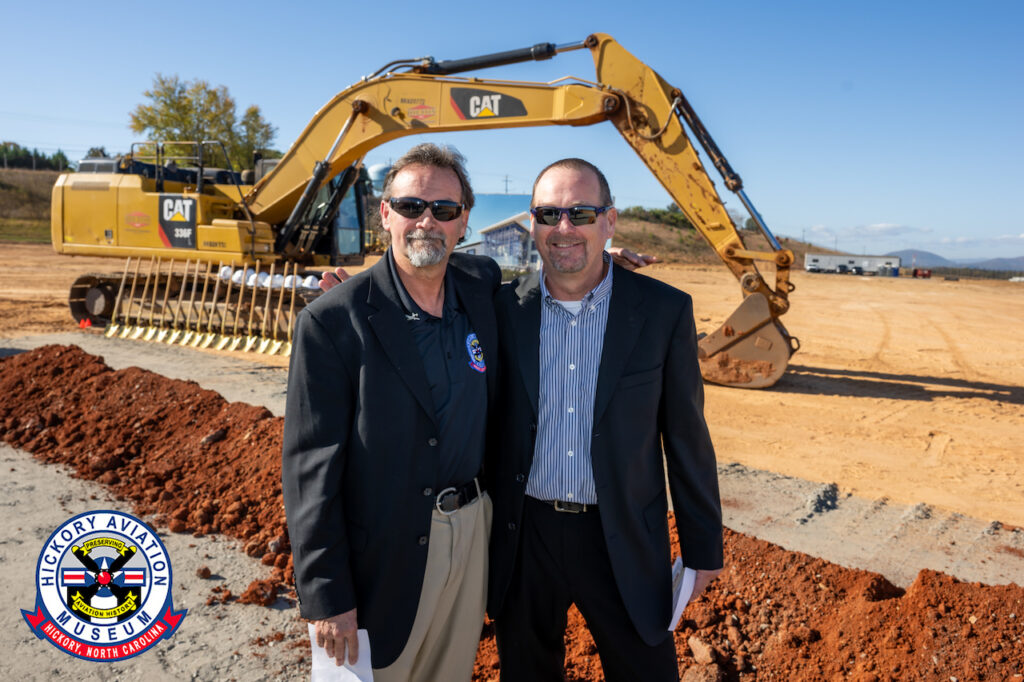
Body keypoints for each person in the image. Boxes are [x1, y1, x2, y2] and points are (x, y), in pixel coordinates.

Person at [487, 158, 724, 681]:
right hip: (525, 533)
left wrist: (702, 544)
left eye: (581, 213)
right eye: (549, 214)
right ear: (532, 225)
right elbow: (437, 273)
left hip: (621, 533)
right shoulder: (502, 308)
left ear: (610, 221)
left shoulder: (662, 311)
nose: (564, 227)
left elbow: (686, 435)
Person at [282, 143, 499, 681]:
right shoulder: (333, 323)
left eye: (444, 210)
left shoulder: (481, 288)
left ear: (464, 220)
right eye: (410, 207)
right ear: (385, 214)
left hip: (471, 534)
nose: (427, 221)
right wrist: (327, 594)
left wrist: (599, 265)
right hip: (385, 550)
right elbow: (310, 473)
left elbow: (542, 288)